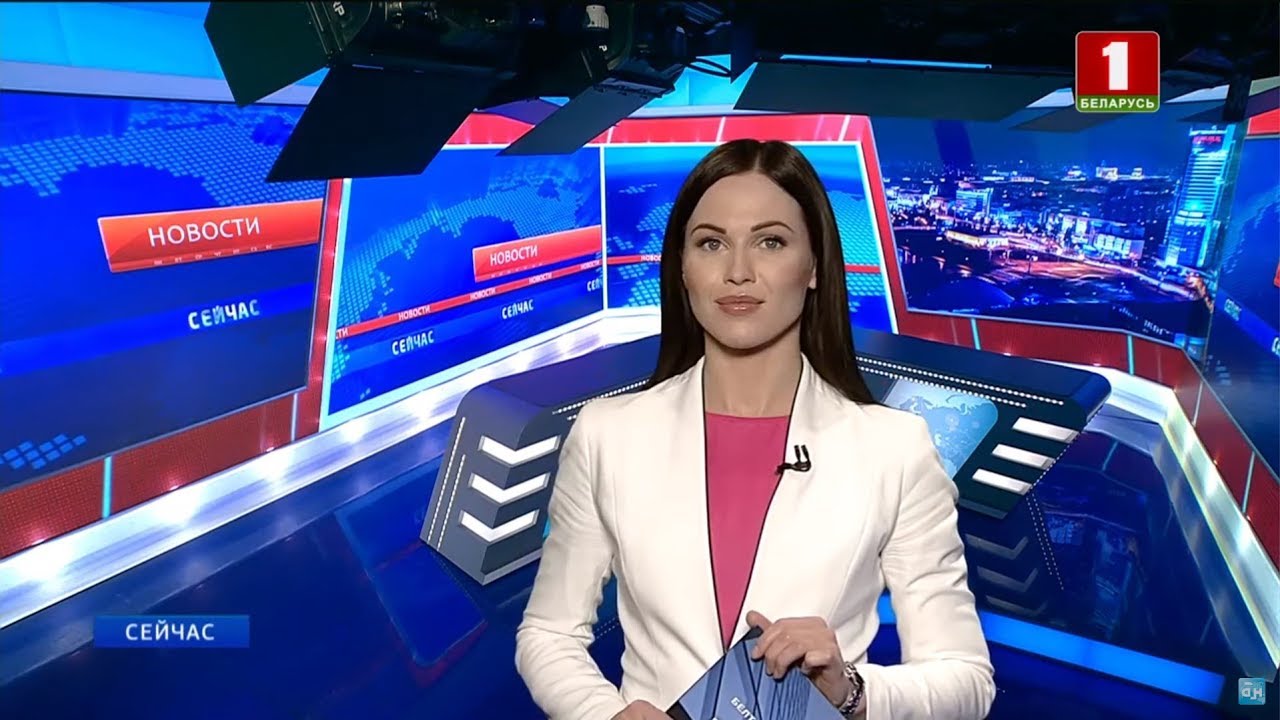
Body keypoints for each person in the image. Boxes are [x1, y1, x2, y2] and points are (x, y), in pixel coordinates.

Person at [515, 139, 995, 720]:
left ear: (813, 267)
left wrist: (850, 691)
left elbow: (966, 680)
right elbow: (548, 633)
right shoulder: (607, 435)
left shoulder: (894, 448)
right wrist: (605, 715)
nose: (738, 272)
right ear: (683, 268)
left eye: (770, 242)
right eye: (711, 243)